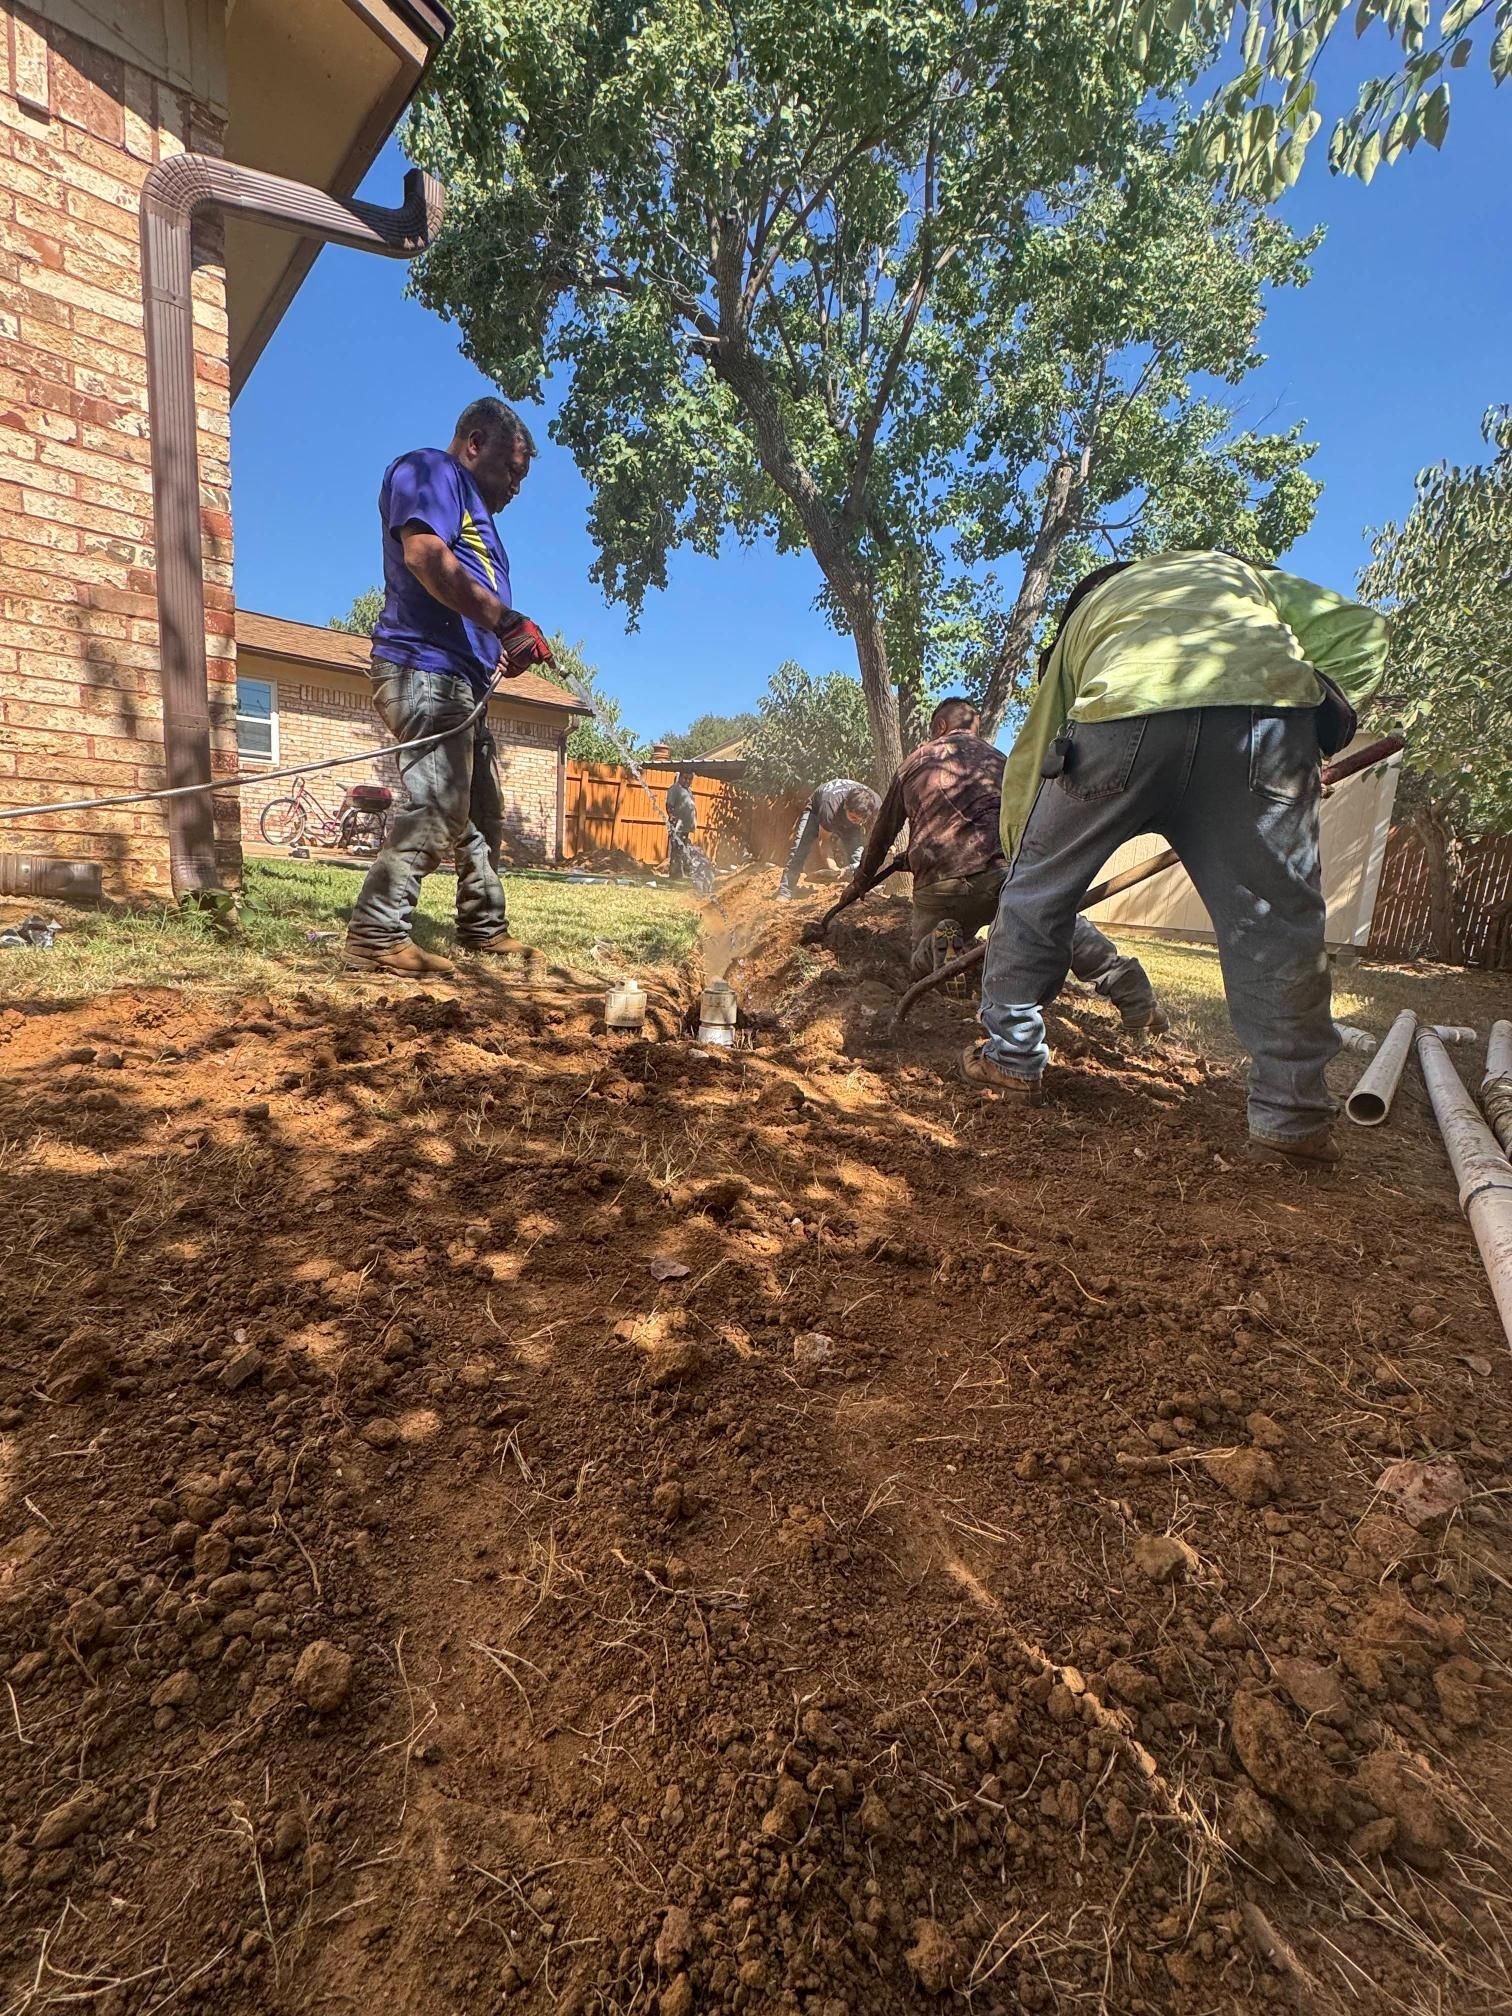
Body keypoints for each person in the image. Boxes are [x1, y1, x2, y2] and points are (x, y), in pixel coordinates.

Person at [963, 549, 1388, 1167]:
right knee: (1276, 923)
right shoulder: (1238, 578)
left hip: (1120, 720)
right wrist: (1310, 730)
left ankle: (1010, 1059)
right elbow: (1363, 631)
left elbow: (1035, 748)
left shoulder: (1085, 618)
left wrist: (1023, 860)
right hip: (1262, 727)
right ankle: (1290, 1117)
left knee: (1035, 898)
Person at [345, 397, 552, 978]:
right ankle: (375, 933)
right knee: (437, 804)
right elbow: (425, 556)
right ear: (475, 442)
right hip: (423, 670)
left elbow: (466, 594)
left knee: (481, 812)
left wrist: (496, 647)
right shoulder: (433, 471)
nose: (516, 486)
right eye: (512, 469)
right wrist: (505, 622)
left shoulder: (477, 515)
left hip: (459, 680)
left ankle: (483, 928)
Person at [847, 698, 1165, 1028]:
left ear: (940, 727)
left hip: (938, 884)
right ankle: (1134, 996)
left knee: (920, 958)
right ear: (974, 729)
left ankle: (934, 948)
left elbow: (882, 834)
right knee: (1056, 921)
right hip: (1001, 872)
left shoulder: (914, 763)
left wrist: (859, 883)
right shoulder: (1002, 762)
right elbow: (1033, 818)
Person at [777, 779, 881, 899]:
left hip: (844, 812)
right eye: (853, 817)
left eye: (861, 819)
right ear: (845, 806)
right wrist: (835, 870)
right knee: (800, 848)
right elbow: (824, 841)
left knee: (858, 854)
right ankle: (785, 891)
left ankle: (864, 888)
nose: (857, 822)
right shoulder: (829, 807)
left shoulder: (876, 805)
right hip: (816, 811)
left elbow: (879, 832)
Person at [666, 765, 697, 881]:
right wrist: (672, 818)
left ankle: (684, 873)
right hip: (677, 826)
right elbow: (669, 805)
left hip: (686, 827)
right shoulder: (675, 789)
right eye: (685, 778)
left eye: (690, 779)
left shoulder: (688, 791)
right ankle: (675, 875)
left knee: (684, 849)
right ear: (680, 777)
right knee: (677, 850)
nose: (687, 781)